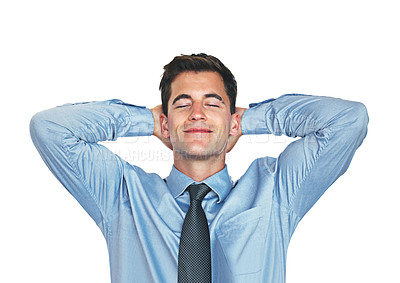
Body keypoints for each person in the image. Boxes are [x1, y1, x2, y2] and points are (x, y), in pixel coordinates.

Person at [30, 53, 368, 283]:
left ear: (231, 118)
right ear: (165, 122)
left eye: (212, 103)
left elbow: (348, 121)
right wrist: (146, 121)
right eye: (182, 104)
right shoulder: (121, 196)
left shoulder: (276, 192)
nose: (197, 114)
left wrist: (246, 121)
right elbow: (51, 129)